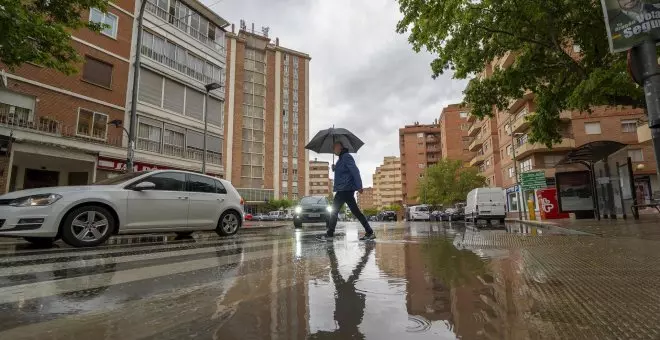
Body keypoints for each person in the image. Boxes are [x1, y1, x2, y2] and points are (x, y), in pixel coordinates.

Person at [318, 141, 375, 241]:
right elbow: (343, 172)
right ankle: (369, 232)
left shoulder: (346, 157)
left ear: (340, 147)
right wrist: (335, 168)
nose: (333, 150)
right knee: (356, 212)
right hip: (345, 189)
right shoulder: (340, 160)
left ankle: (330, 234)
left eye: (334, 147)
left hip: (345, 189)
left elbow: (355, 171)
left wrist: (359, 185)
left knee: (334, 211)